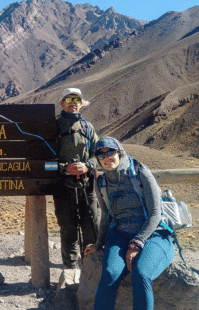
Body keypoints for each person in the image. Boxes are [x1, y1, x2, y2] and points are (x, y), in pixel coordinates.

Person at [84, 137, 175, 310]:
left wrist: (136, 243)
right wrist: (98, 243)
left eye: (110, 152)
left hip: (153, 233)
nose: (106, 157)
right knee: (110, 274)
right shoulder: (101, 181)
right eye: (101, 154)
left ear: (119, 152)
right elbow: (106, 214)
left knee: (141, 273)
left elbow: (155, 214)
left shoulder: (140, 172)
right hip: (119, 234)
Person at [54, 87, 100, 272]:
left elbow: (98, 154)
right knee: (68, 228)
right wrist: (64, 168)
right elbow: (44, 159)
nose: (73, 103)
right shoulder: (54, 127)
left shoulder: (88, 127)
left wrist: (87, 165)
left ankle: (91, 270)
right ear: (62, 103)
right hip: (63, 186)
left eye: (77, 100)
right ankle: (70, 270)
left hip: (87, 186)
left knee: (91, 226)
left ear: (82, 104)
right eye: (69, 99)